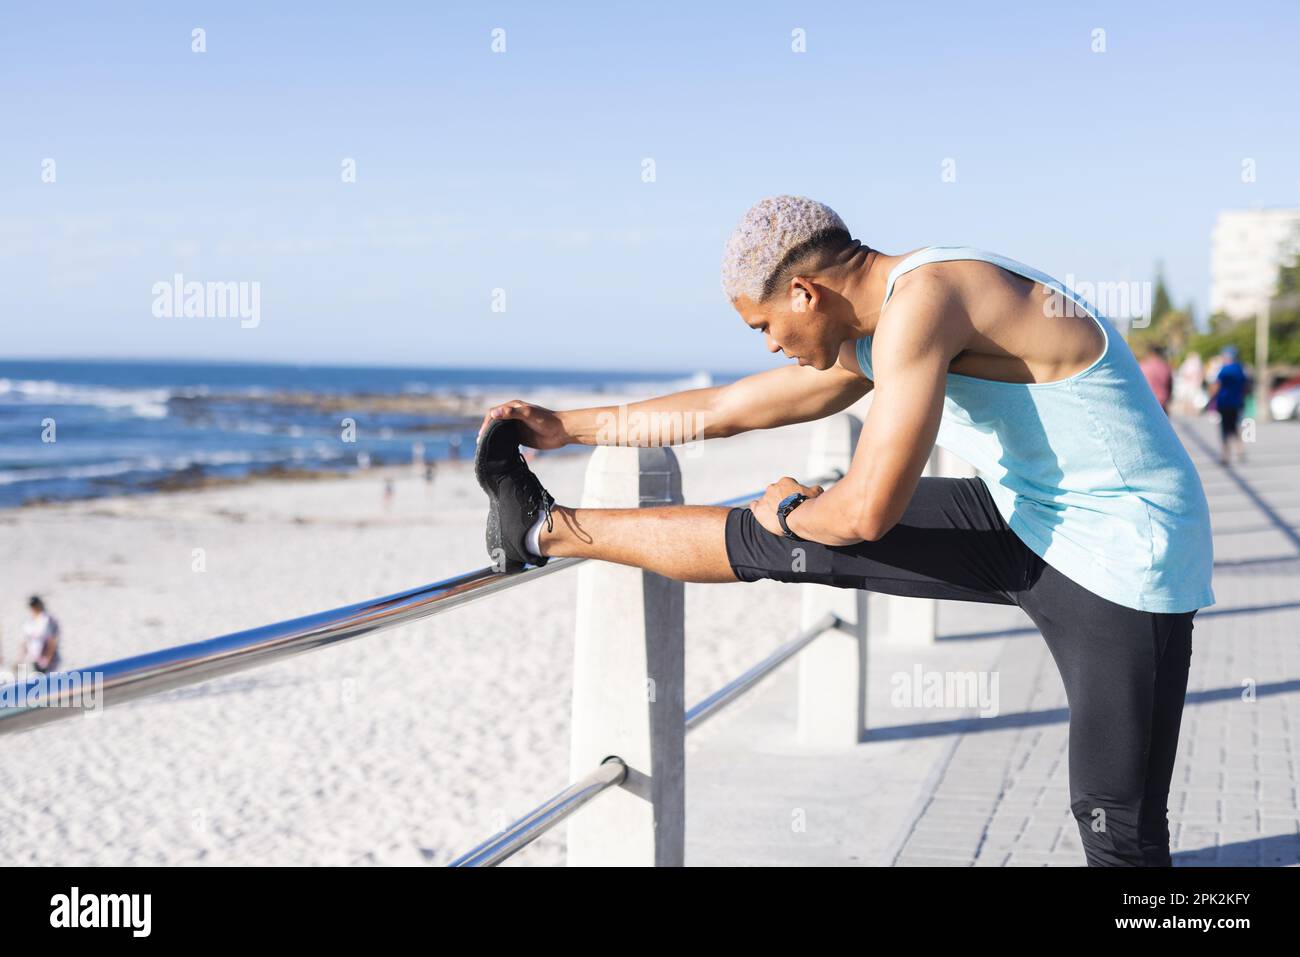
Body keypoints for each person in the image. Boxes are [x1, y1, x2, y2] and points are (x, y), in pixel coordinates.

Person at [474, 196, 1215, 867]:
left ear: (805, 292)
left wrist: (794, 510)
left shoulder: (928, 301)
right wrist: (564, 427)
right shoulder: (881, 323)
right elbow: (733, 407)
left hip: (1126, 555)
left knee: (1117, 827)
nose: (767, 344)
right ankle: (543, 528)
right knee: (781, 542)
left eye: (764, 325)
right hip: (1029, 516)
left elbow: (865, 512)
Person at [1208, 345, 1249, 466]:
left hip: (1224, 402)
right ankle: (1240, 449)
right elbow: (1245, 386)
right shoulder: (1240, 368)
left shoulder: (1225, 369)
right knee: (1235, 427)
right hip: (1236, 402)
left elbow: (1217, 385)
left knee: (1225, 429)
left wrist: (1211, 399)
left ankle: (1225, 455)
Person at [21, 595, 61, 674]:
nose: (33, 608)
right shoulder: (28, 622)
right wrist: (20, 659)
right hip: (34, 658)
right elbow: (25, 641)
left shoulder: (47, 620)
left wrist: (48, 658)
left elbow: (52, 640)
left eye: (35, 605)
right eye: (32, 606)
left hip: (47, 659)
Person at [1138, 344, 1173, 414]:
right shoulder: (1165, 367)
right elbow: (1170, 388)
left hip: (1144, 406)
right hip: (1161, 406)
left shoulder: (1142, 366)